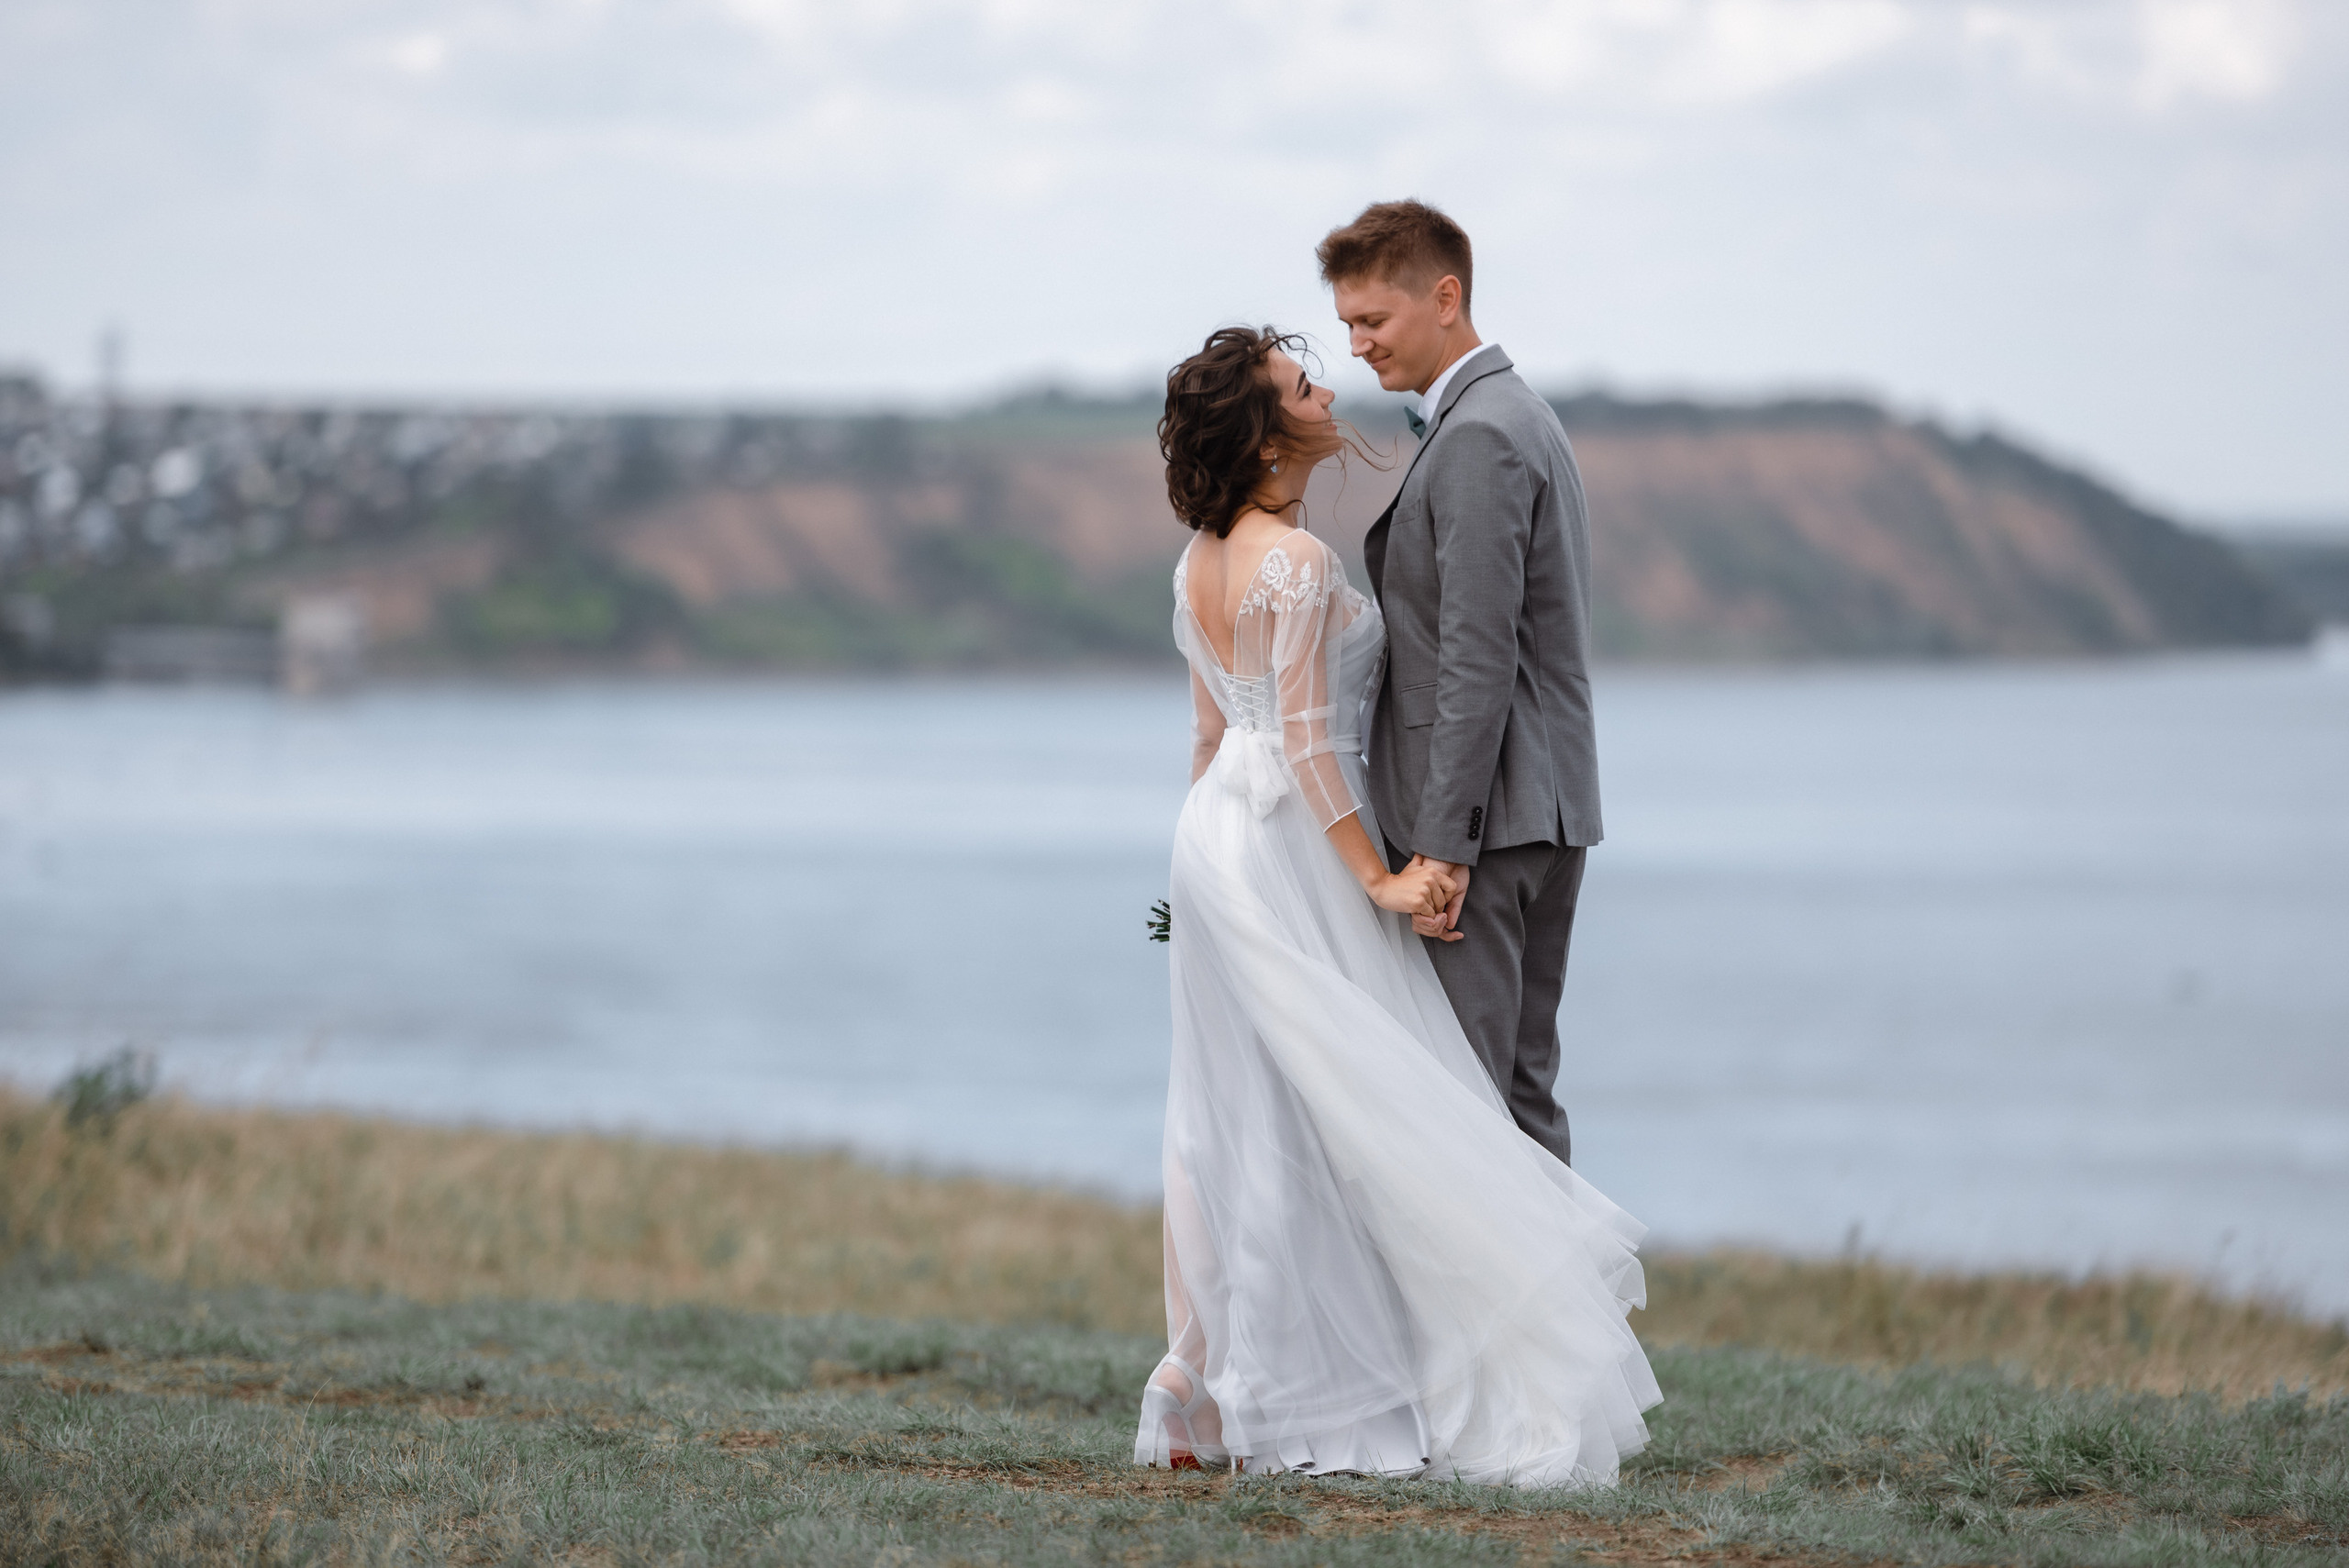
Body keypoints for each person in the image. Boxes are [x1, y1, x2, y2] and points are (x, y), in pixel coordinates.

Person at [1137, 313, 1659, 1487]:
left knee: (1232, 1111)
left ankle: (1203, 1371)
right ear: (1270, 439)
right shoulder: (1300, 565)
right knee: (1345, 1104)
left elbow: (1212, 734)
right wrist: (1377, 875)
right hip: (1288, 841)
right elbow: (1314, 746)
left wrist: (1190, 895)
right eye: (1298, 384)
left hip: (1214, 833)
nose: (1325, 387)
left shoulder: (1198, 559)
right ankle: (1307, 1392)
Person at [1325, 198, 1600, 1167]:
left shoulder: (1481, 433)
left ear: (1445, 298)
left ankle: (1521, 1324)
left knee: (1473, 1115)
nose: (1354, 344)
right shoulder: (1512, 412)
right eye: (1346, 323)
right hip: (1536, 809)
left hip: (1489, 824)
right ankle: (1568, 1322)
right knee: (1518, 1106)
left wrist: (1443, 846)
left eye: (1372, 320)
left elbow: (1475, 656)